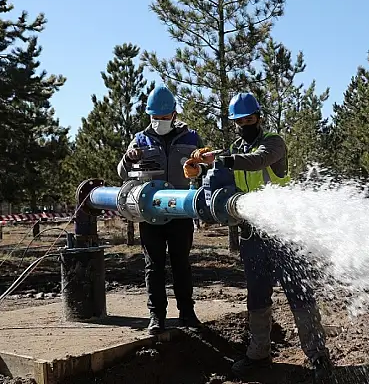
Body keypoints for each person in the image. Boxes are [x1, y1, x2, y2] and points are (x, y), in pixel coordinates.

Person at [184, 92, 333, 382]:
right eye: (239, 121)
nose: (244, 124)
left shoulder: (274, 143)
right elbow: (221, 183)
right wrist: (197, 172)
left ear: (259, 118)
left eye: (249, 119)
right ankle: (258, 352)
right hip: (252, 236)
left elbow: (256, 161)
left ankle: (317, 356)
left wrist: (224, 159)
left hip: (284, 234)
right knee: (257, 297)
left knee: (299, 295)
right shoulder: (234, 148)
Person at [117, 85, 207, 335]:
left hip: (180, 212)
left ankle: (187, 314)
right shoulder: (140, 139)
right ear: (149, 116)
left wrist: (199, 168)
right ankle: (156, 316)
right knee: (153, 266)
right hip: (150, 213)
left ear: (174, 115)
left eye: (163, 117)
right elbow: (122, 173)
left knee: (181, 264)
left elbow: (205, 168)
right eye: (155, 117)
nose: (159, 121)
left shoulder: (191, 138)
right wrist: (128, 157)